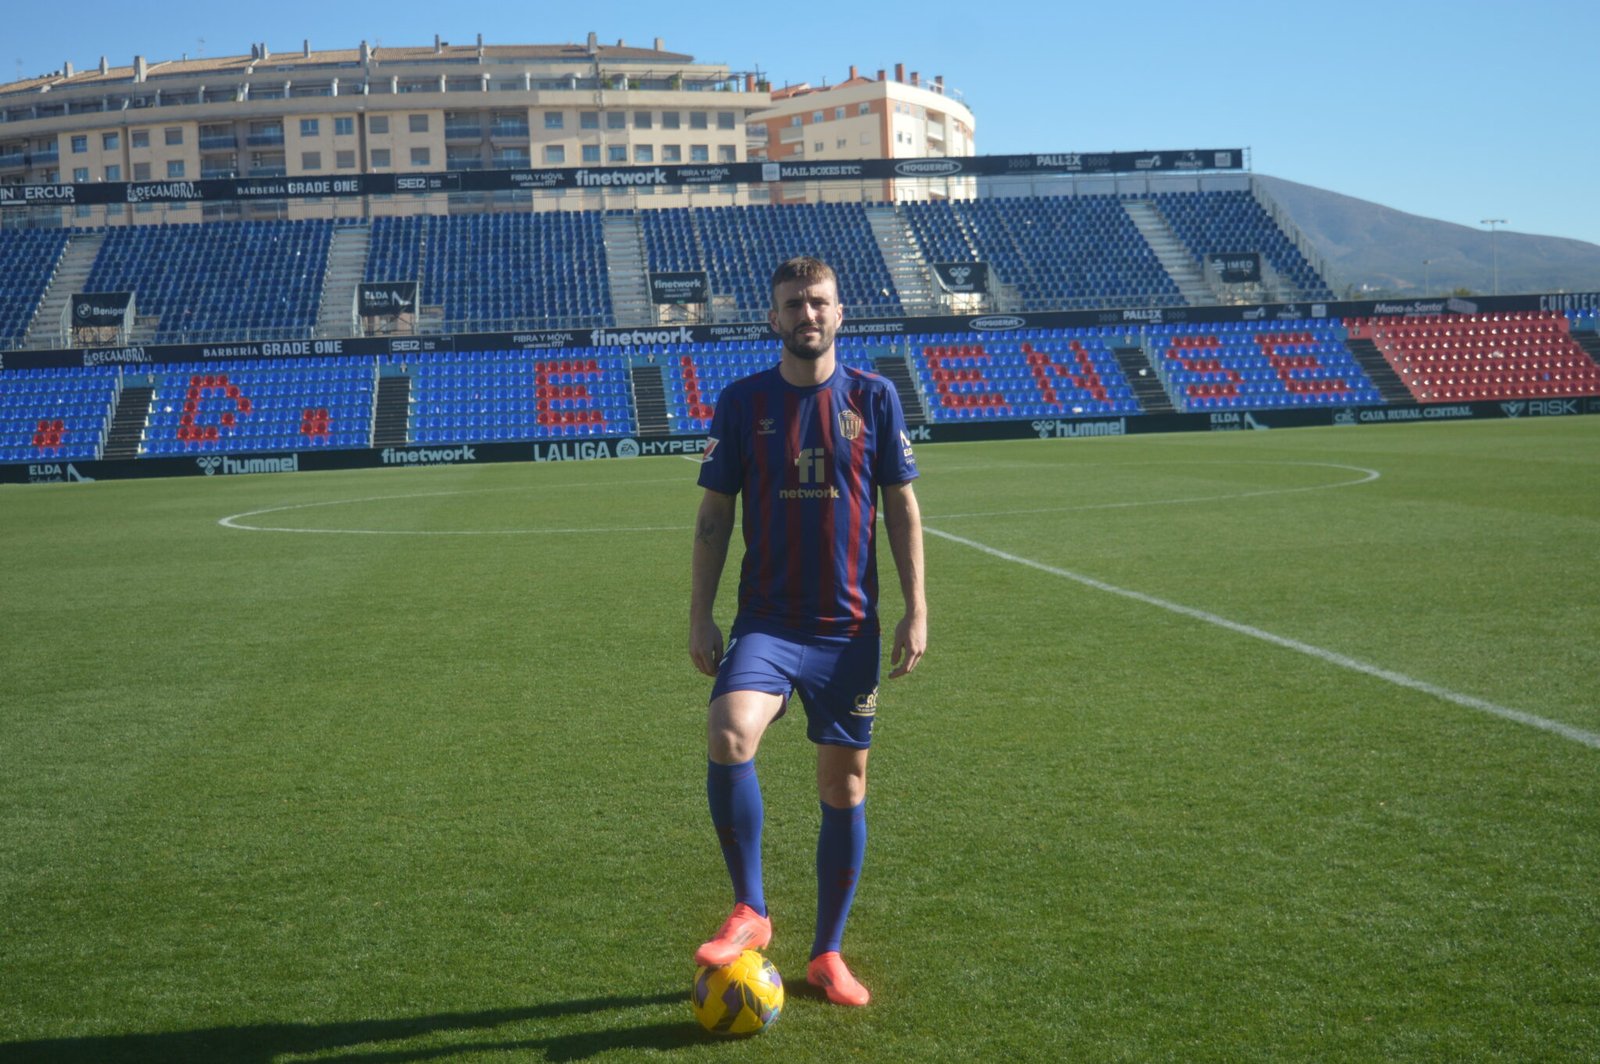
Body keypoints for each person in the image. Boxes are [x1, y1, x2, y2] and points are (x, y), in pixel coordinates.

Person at [688, 256, 927, 1007]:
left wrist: (918, 609)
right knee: (729, 730)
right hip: (768, 620)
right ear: (773, 318)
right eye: (793, 303)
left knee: (843, 784)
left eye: (818, 302)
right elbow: (715, 515)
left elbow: (903, 510)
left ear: (840, 312)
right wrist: (700, 611)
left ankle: (827, 953)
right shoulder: (741, 401)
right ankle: (751, 909)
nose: (807, 314)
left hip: (848, 627)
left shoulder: (875, 397)